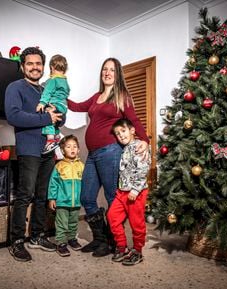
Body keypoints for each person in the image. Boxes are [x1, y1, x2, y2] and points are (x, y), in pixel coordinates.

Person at [67, 57, 150, 257]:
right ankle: (100, 239)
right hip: (93, 155)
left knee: (113, 198)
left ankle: (115, 243)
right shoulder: (96, 96)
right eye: (105, 69)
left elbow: (134, 120)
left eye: (112, 70)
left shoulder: (121, 96)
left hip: (111, 151)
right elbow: (77, 106)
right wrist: (59, 94)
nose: (107, 72)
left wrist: (145, 139)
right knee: (86, 196)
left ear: (117, 73)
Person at [5, 46, 63, 262]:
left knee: (42, 195)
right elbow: (14, 116)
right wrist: (47, 118)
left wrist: (58, 115)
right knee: (25, 195)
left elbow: (58, 116)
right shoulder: (15, 87)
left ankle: (37, 236)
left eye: (38, 63)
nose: (34, 67)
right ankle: (17, 241)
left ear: (43, 67)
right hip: (29, 149)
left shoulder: (46, 90)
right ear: (23, 67)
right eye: (30, 63)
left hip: (48, 150)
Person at [107, 118, 151, 266]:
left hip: (135, 193)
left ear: (132, 130)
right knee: (112, 216)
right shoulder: (124, 148)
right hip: (122, 192)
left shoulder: (140, 146)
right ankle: (122, 246)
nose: (120, 135)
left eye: (123, 131)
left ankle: (138, 251)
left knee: (136, 223)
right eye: (117, 133)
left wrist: (136, 189)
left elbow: (143, 169)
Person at [48, 135, 84, 257]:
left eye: (75, 146)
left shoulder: (82, 166)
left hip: (76, 202)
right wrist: (52, 198)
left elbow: (86, 183)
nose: (72, 149)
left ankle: (72, 239)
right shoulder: (59, 166)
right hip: (62, 201)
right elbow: (53, 183)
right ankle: (61, 243)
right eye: (68, 147)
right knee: (62, 223)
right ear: (63, 151)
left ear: (78, 150)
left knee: (73, 222)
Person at [36, 54, 70, 155]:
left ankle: (50, 140)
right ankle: (57, 136)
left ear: (51, 67)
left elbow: (48, 92)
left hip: (55, 104)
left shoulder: (53, 80)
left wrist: (42, 103)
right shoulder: (64, 81)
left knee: (48, 118)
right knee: (55, 120)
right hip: (63, 107)